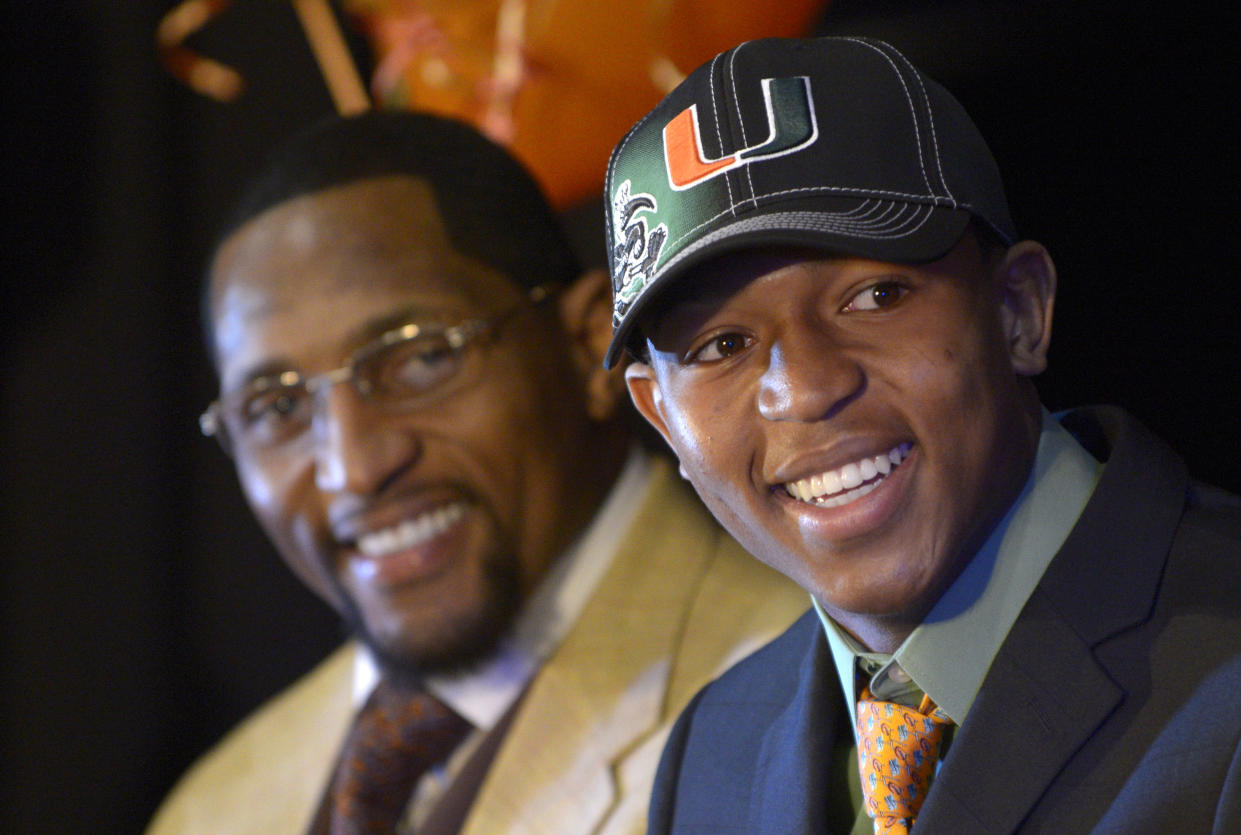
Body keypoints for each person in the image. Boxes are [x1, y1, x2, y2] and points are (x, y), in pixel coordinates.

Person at [601, 35, 1241, 833]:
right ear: (661, 418)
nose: (803, 388)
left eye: (873, 295)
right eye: (721, 347)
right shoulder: (714, 749)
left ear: (1018, 310)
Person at [147, 110, 807, 834]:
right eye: (274, 406)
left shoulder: (816, 716)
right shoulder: (214, 806)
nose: (354, 467)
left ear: (590, 347)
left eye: (421, 357)